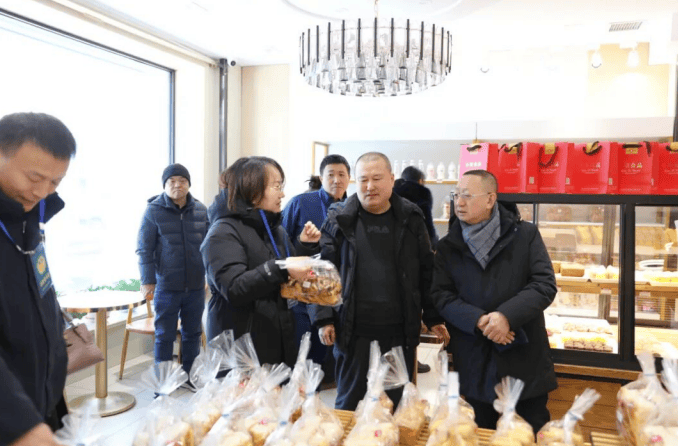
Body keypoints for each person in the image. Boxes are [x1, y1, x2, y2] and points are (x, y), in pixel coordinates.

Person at [309, 152, 449, 411]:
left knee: (396, 405)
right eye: (363, 180)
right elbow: (323, 271)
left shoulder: (410, 217)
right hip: (352, 331)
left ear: (392, 179)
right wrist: (324, 318)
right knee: (349, 403)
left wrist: (434, 317)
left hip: (398, 331)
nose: (369, 186)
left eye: (377, 178)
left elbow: (426, 270)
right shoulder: (340, 218)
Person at [430, 169, 557, 433]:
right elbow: (441, 295)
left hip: (523, 358)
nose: (459, 202)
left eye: (467, 196)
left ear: (490, 199)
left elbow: (544, 284)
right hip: (475, 359)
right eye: (456, 195)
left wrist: (506, 316)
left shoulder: (525, 235)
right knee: (480, 432)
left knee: (528, 433)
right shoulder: (448, 246)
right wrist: (478, 320)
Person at [201, 156, 321, 367]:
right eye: (276, 186)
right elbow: (234, 288)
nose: (282, 194)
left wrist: (304, 247)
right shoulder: (223, 232)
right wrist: (281, 268)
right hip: (242, 351)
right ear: (253, 191)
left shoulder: (275, 229)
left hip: (278, 340)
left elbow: (286, 273)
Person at [0, 112, 75, 446]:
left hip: (39, 402)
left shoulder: (27, 220)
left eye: (55, 182)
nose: (42, 192)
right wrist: (20, 425)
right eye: (34, 177)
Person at [136, 163, 208, 388]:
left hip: (196, 286)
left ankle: (190, 377)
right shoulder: (153, 210)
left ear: (189, 184)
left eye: (182, 181)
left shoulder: (201, 210)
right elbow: (144, 249)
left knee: (192, 334)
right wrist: (148, 281)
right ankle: (163, 383)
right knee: (164, 336)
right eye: (172, 181)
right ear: (164, 185)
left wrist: (210, 277)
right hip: (166, 286)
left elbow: (209, 246)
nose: (177, 185)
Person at [282, 154, 351, 381]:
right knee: (303, 356)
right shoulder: (301, 203)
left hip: (334, 296)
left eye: (341, 174)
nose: (336, 180)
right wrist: (302, 243)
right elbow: (281, 244)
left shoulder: (352, 208)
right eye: (330, 175)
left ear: (349, 178)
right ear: (321, 178)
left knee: (327, 360)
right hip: (302, 297)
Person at [393, 165, 438, 246]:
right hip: (417, 240)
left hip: (395, 239)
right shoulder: (424, 193)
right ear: (420, 180)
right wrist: (433, 243)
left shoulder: (393, 191)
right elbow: (427, 222)